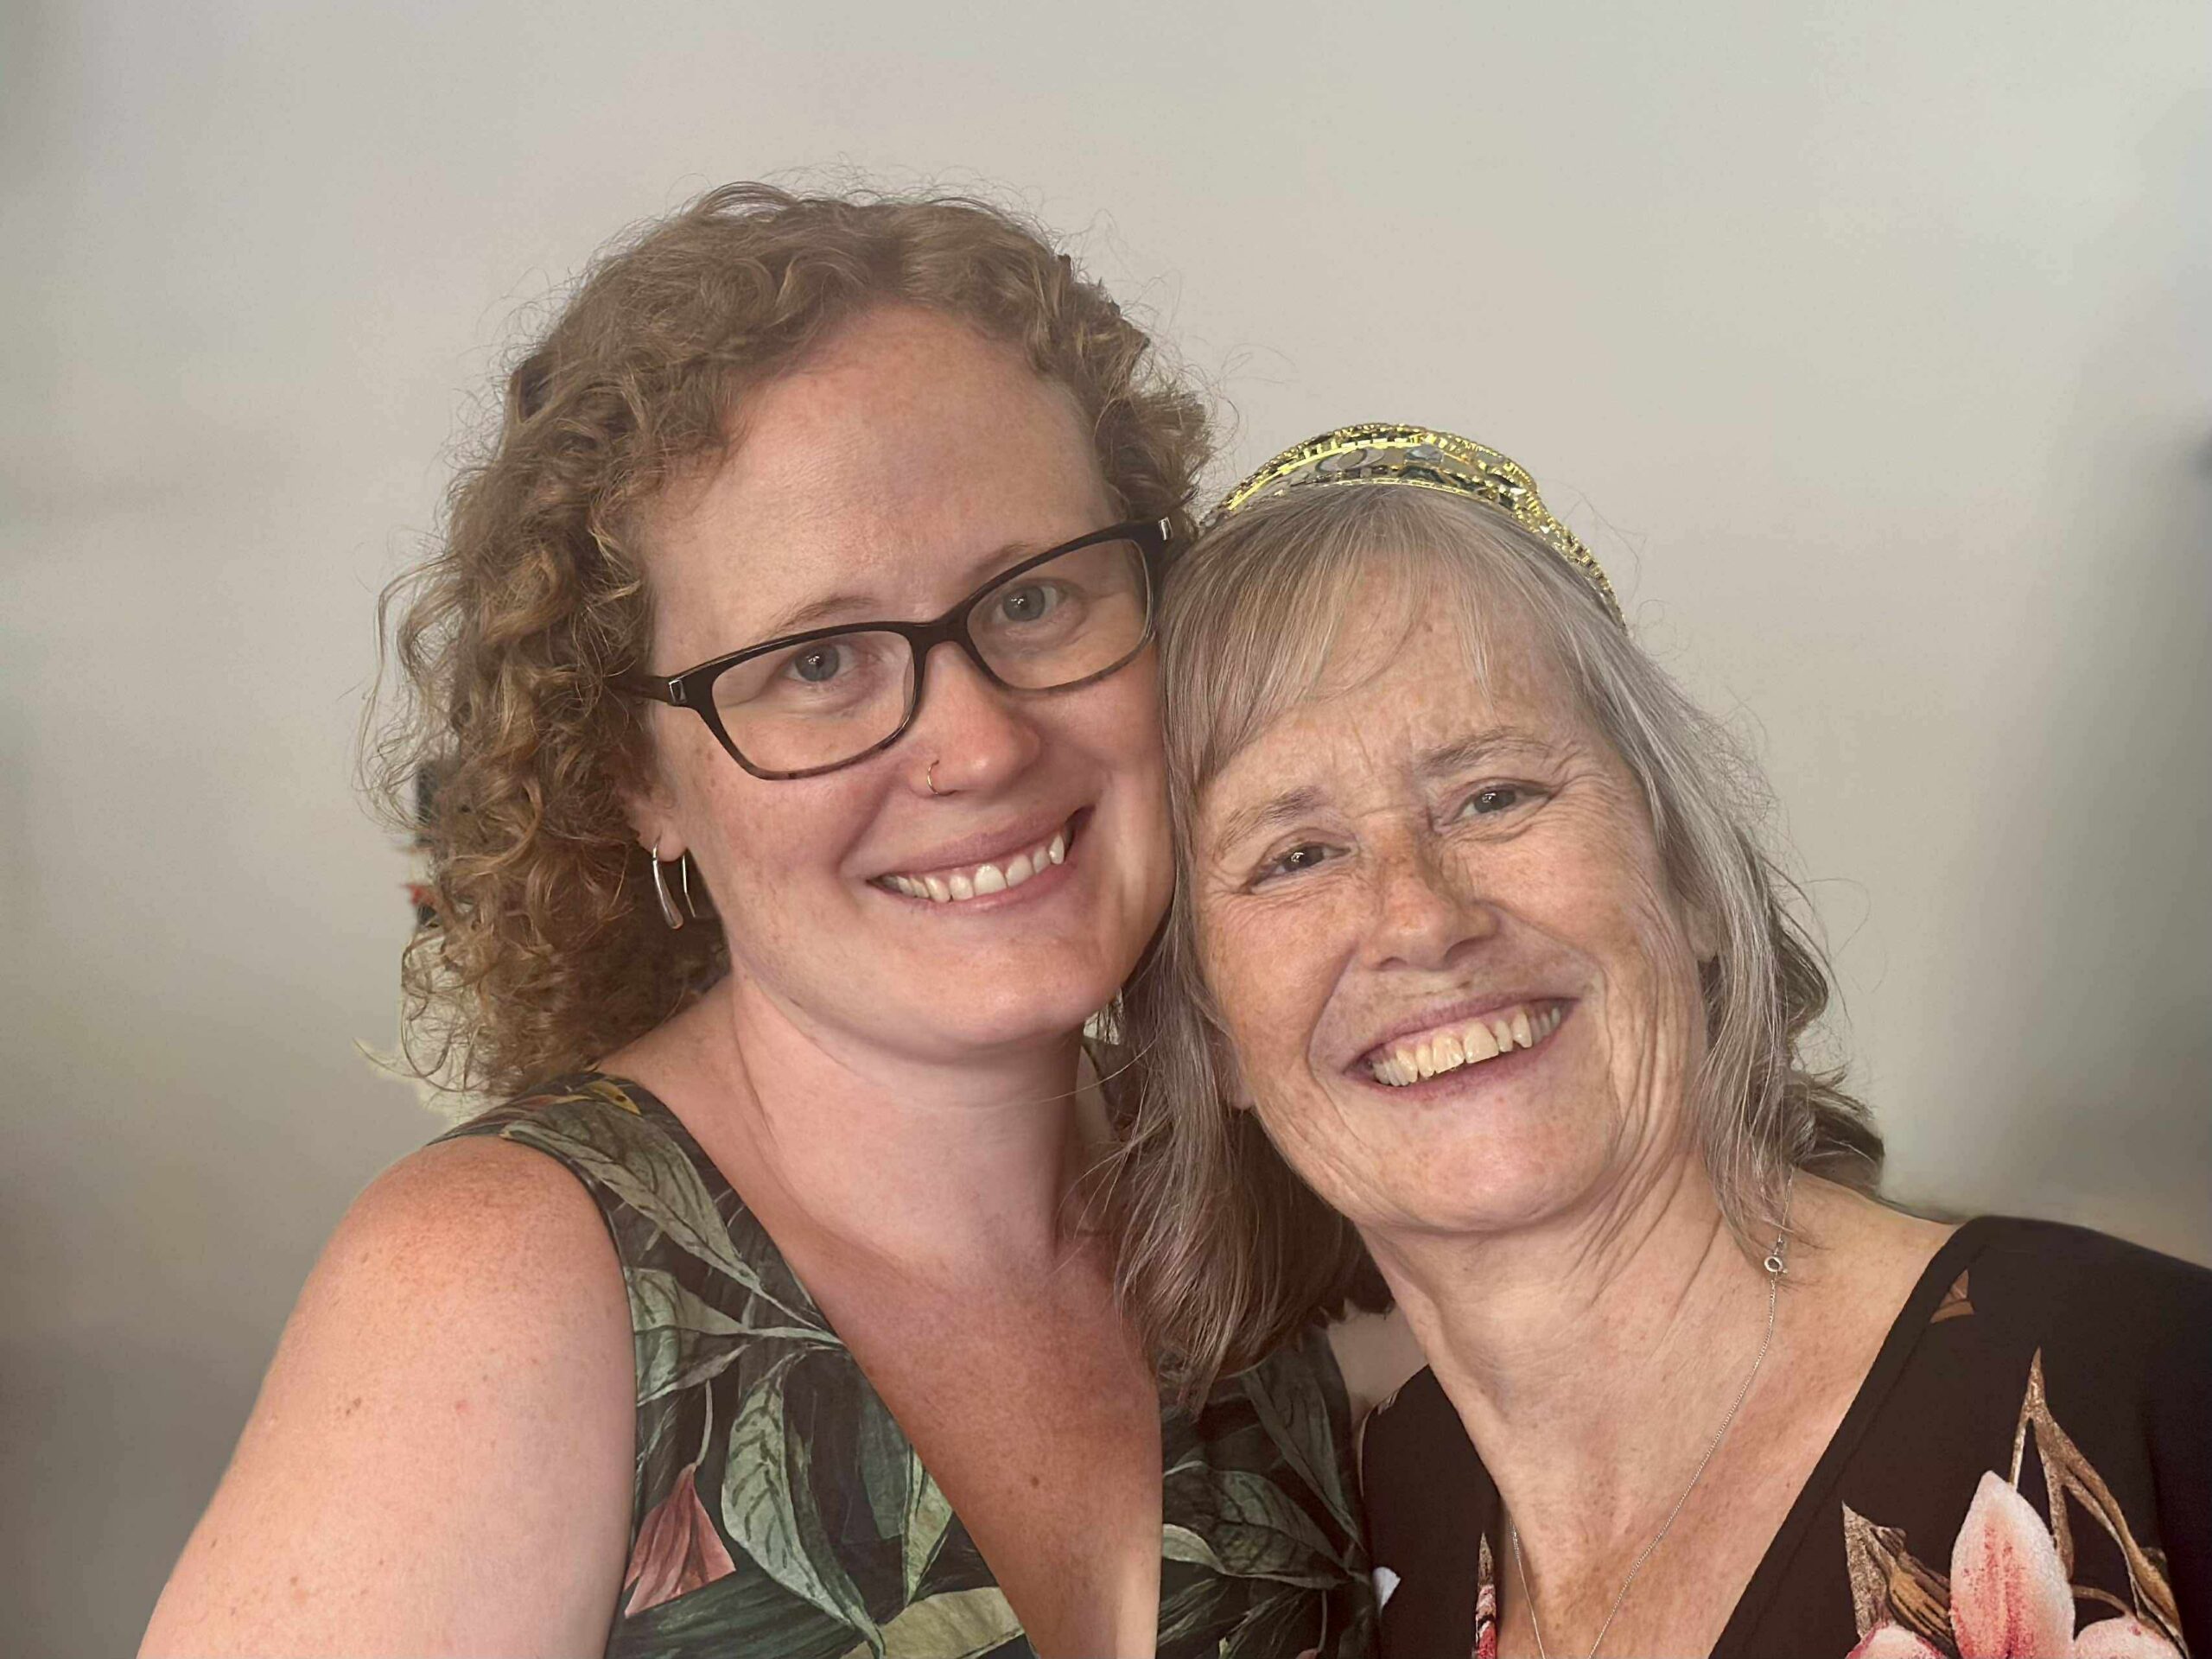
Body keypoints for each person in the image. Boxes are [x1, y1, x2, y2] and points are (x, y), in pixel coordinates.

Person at [140, 187, 1378, 1659]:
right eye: (820, 664)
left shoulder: (1295, 1200)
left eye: (1036, 599)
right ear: (634, 778)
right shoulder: (496, 1285)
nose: (978, 745)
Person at [1110, 423, 2212, 1657]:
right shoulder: (1387, 1525)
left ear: (1687, 874)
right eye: (1297, 855)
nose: (1420, 918)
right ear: (1212, 1035)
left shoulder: (2146, 1386)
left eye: (1494, 795)